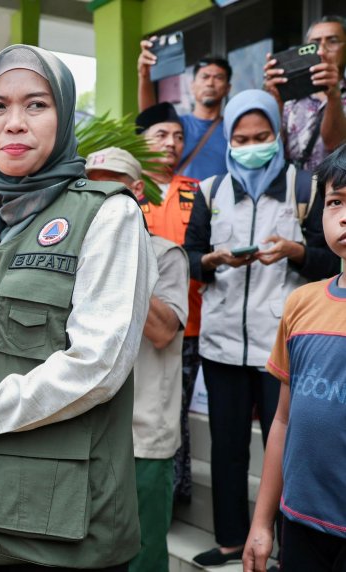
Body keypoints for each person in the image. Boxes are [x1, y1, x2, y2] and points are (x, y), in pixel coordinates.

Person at [0, 44, 157, 571]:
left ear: (63, 117)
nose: (14, 123)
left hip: (56, 528)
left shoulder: (109, 217)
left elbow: (96, 367)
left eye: (35, 105)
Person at [183, 89, 340, 567]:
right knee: (229, 449)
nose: (252, 144)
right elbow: (190, 257)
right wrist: (211, 260)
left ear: (278, 134)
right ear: (229, 139)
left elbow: (327, 258)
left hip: (286, 346)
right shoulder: (210, 191)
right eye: (242, 137)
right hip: (223, 341)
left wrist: (295, 252)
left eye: (263, 136)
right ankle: (233, 539)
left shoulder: (306, 188)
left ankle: (286, 541)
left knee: (289, 446)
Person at [243, 143, 346, 572]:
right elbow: (282, 420)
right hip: (301, 523)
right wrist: (262, 522)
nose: (344, 215)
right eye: (336, 202)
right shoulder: (302, 303)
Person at [87, 147, 189, 572]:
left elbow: (164, 331)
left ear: (136, 192)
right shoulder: (76, 254)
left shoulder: (166, 254)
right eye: (91, 186)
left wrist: (125, 261)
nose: (100, 195)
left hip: (144, 434)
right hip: (89, 429)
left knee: (144, 553)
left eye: (112, 185)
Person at [134, 102, 204, 504]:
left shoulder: (197, 191)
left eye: (178, 136)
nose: (172, 143)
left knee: (173, 414)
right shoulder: (125, 188)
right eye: (161, 134)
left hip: (183, 321)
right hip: (132, 322)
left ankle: (173, 495)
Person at [138, 43, 232, 181]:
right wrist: (144, 76)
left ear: (228, 88)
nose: (210, 83)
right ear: (192, 85)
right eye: (205, 77)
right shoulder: (178, 126)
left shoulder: (234, 130)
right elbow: (150, 118)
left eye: (218, 77)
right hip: (179, 200)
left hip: (219, 202)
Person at [264, 15, 346, 172]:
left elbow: (336, 145)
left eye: (333, 41)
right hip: (297, 192)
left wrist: (334, 95)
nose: (322, 50)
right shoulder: (289, 98)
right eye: (314, 43)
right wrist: (275, 101)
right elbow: (269, 149)